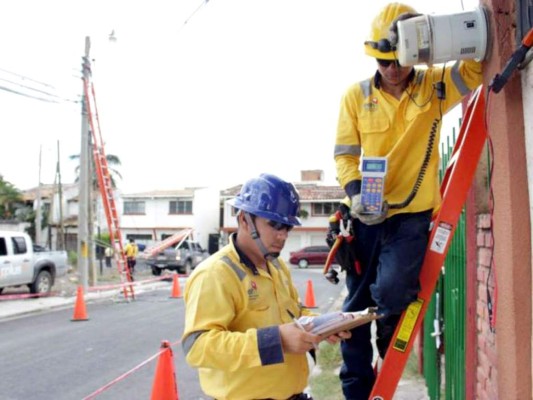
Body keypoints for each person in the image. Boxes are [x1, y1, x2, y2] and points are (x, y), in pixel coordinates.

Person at [333, 3, 483, 398]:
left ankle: (388, 363)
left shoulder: (434, 85)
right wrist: (353, 195)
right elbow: (345, 156)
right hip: (366, 215)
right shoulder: (356, 97)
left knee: (393, 291)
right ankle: (357, 390)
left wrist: (434, 41)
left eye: (398, 59)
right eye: (383, 61)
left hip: (411, 219)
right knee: (355, 307)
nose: (391, 69)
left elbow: (475, 69)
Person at [181, 173, 351, 400]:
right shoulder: (215, 274)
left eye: (287, 227)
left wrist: (324, 324)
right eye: (274, 224)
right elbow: (197, 348)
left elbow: (294, 314)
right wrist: (277, 341)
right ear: (244, 220)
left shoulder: (277, 266)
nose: (282, 236)